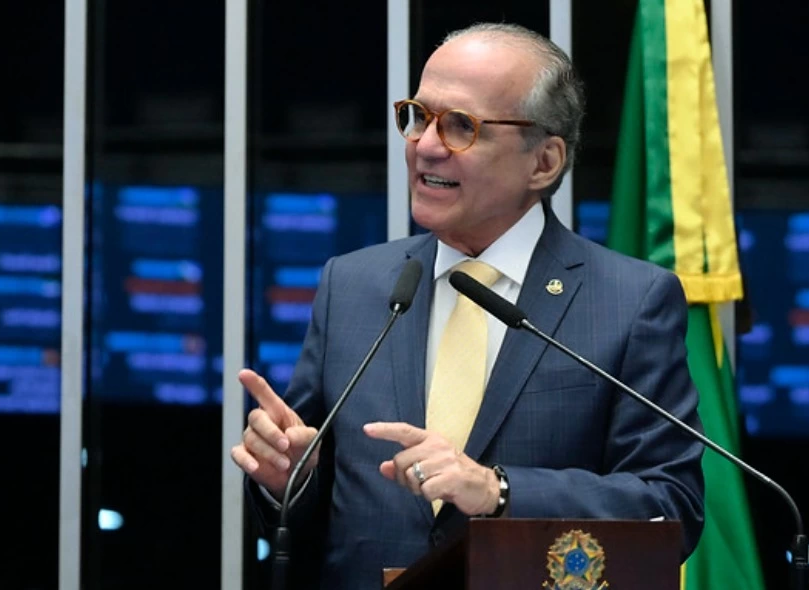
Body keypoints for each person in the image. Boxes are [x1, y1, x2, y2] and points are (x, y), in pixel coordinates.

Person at [231, 22, 704, 590]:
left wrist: (499, 491)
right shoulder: (352, 286)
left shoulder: (629, 301)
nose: (426, 145)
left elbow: (670, 508)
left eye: (461, 126)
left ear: (544, 162)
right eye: (418, 116)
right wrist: (289, 479)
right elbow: (314, 516)